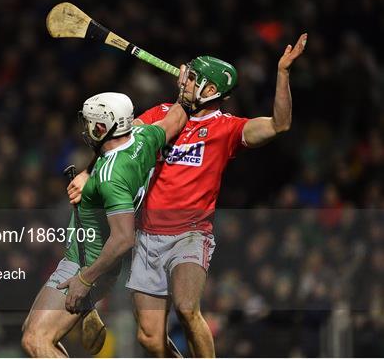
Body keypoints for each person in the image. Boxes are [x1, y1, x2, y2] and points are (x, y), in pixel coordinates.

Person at [67, 33, 307, 357]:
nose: (183, 80)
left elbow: (280, 124)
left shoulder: (227, 129)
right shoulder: (162, 114)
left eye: (192, 78)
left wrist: (283, 73)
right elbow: (118, 143)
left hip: (191, 235)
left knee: (186, 306)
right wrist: (88, 172)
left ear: (211, 91)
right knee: (149, 339)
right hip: (147, 236)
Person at [21, 90, 190, 357]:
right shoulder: (143, 138)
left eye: (89, 123)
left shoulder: (112, 177)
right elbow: (176, 119)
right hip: (86, 260)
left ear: (102, 127)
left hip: (86, 263)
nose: (85, 128)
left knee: (36, 340)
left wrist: (85, 280)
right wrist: (185, 92)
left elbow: (124, 238)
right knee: (34, 333)